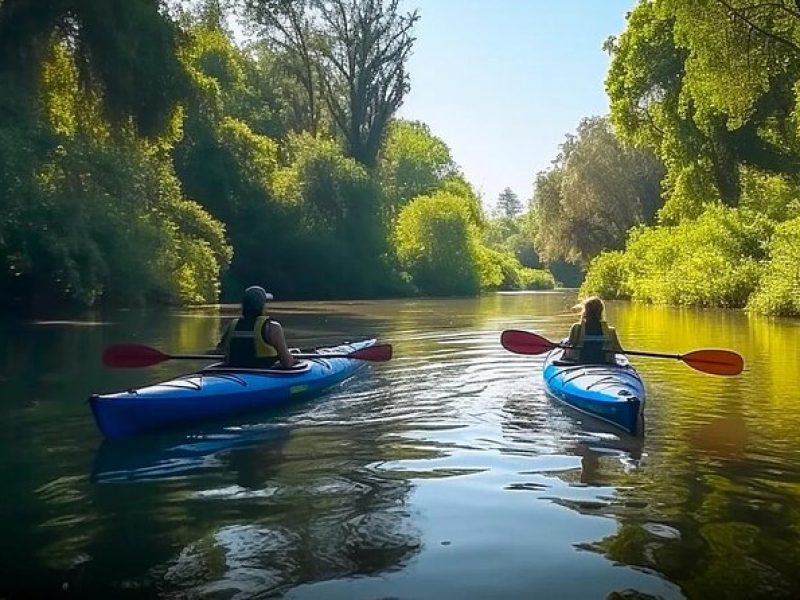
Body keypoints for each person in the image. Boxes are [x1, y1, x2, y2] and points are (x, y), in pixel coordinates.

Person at [217, 286, 297, 369]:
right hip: (264, 374)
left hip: (235, 372)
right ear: (262, 305)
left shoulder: (231, 326)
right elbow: (287, 363)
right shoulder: (272, 327)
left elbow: (220, 351)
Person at [561, 295, 624, 364]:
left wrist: (563, 344)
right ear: (601, 312)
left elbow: (570, 347)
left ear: (585, 311)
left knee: (565, 341)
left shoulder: (576, 328)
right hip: (604, 361)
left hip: (581, 361)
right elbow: (620, 351)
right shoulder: (610, 331)